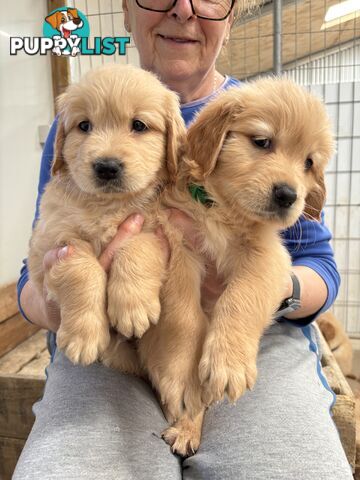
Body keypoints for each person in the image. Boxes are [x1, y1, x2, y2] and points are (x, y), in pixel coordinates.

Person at [14, 0, 352, 478]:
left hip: (259, 339)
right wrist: (78, 303)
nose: (184, 10)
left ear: (233, 16)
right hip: (110, 350)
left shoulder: (268, 110)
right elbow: (38, 269)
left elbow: (317, 264)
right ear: (126, 12)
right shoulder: (79, 116)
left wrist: (260, 295)